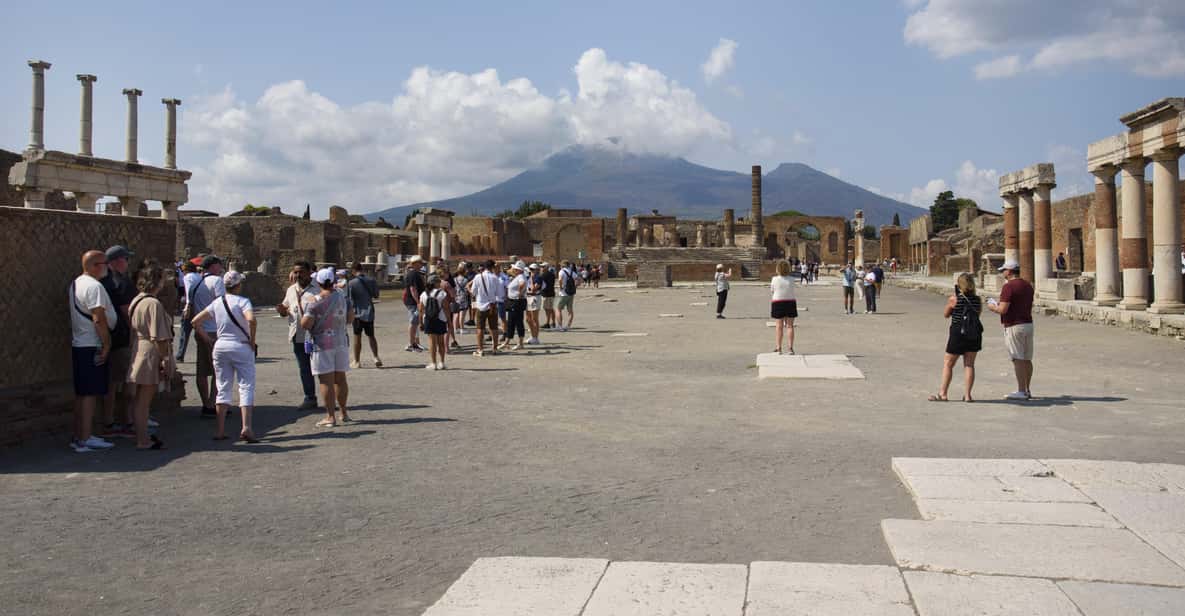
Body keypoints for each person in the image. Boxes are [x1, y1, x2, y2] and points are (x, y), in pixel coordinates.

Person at [191, 270, 259, 442]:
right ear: (238, 285)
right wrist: (252, 340)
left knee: (222, 387)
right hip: (241, 345)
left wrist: (207, 339)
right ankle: (246, 427)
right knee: (246, 386)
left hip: (221, 346)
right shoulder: (243, 302)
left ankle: (220, 430)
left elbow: (195, 322)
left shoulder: (217, 302)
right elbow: (251, 320)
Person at [68, 250, 117, 452]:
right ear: (96, 265)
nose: (107, 267)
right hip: (92, 343)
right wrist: (106, 344)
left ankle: (81, 434)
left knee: (83, 393)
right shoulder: (94, 286)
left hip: (81, 343)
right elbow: (98, 317)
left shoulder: (76, 283)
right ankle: (85, 438)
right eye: (105, 263)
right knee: (89, 394)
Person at [126, 260, 173, 449]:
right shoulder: (153, 304)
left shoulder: (137, 300)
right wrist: (166, 359)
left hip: (139, 348)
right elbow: (159, 336)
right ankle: (143, 439)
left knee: (140, 399)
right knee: (144, 401)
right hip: (150, 352)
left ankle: (142, 436)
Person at [302, 267, 354, 427]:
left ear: (318, 282)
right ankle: (343, 412)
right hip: (340, 341)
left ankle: (330, 416)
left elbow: (305, 324)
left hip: (322, 344)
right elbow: (350, 319)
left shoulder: (314, 301)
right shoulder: (343, 297)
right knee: (341, 379)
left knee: (326, 381)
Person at [99, 245, 138, 438]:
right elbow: (127, 311)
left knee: (113, 384)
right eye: (126, 259)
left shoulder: (105, 281)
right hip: (121, 338)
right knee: (126, 382)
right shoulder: (120, 283)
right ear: (116, 261)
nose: (128, 263)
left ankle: (111, 421)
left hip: (110, 336)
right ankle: (127, 422)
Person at [986, 260, 1035, 400]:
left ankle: (1021, 391)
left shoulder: (1008, 287)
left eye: (1004, 270)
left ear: (1010, 271)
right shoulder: (1028, 285)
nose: (1002, 273)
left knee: (1017, 358)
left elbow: (1003, 309)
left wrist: (992, 306)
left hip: (1014, 325)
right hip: (1028, 324)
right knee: (1027, 358)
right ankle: (1027, 388)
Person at [930, 273, 983, 402]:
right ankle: (968, 395)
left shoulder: (955, 299)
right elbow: (978, 314)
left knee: (948, 364)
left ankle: (943, 393)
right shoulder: (977, 299)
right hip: (973, 333)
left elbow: (946, 314)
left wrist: (952, 305)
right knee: (969, 364)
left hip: (958, 332)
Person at [274, 261, 319, 410]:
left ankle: (330, 397)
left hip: (316, 333)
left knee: (322, 367)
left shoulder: (318, 289)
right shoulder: (291, 290)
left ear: (309, 272)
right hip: (298, 333)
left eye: (301, 272)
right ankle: (310, 397)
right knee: (304, 367)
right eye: (296, 272)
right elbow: (286, 308)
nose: (298, 275)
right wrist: (282, 310)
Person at [191, 254, 226, 417]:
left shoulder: (195, 282)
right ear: (213, 266)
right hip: (213, 330)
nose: (221, 269)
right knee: (219, 370)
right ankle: (213, 404)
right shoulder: (217, 281)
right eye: (219, 266)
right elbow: (221, 305)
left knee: (202, 370)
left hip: (199, 329)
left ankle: (206, 403)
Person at [347, 262, 382, 369]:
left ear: (353, 270)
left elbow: (350, 300)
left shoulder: (351, 283)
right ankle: (376, 357)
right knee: (371, 336)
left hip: (357, 313)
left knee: (357, 336)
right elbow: (376, 295)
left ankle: (357, 361)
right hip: (369, 312)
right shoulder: (371, 280)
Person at [467, 260, 500, 357]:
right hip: (492, 305)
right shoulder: (495, 277)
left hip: (481, 305)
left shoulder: (478, 277)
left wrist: (469, 290)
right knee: (494, 328)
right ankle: (495, 348)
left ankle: (480, 349)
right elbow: (498, 293)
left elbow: (473, 292)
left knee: (480, 328)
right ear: (493, 267)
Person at [419, 274, 451, 370]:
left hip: (429, 319)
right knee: (441, 342)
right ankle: (442, 362)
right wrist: (449, 321)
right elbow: (446, 308)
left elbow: (421, 309)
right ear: (435, 283)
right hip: (440, 319)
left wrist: (421, 322)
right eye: (438, 282)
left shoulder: (424, 294)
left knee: (432, 342)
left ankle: (433, 363)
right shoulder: (442, 294)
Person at [770, 260, 798, 354]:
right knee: (790, 326)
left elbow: (772, 291)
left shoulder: (774, 279)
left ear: (778, 269)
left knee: (779, 326)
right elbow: (793, 289)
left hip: (778, 302)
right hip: (790, 301)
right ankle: (790, 348)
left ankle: (779, 347)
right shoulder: (792, 279)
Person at [174, 260, 200, 361]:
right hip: (199, 307)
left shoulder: (188, 277)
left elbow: (189, 292)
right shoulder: (199, 276)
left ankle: (180, 355)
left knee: (185, 332)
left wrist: (187, 307)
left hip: (190, 307)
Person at [502, 262, 528, 350]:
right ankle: (507, 342)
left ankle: (520, 343)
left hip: (517, 302)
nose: (514, 270)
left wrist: (520, 294)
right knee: (511, 322)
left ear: (519, 270)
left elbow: (522, 284)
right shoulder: (517, 276)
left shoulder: (520, 277)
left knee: (518, 322)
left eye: (515, 269)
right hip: (513, 301)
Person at [402, 255, 426, 352]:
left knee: (415, 322)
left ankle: (415, 343)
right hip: (413, 302)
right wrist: (418, 302)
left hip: (413, 301)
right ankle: (411, 343)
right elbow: (413, 289)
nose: (421, 264)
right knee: (413, 322)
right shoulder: (413, 274)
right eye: (420, 262)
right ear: (415, 264)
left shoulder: (415, 273)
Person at [452, 263, 471, 349]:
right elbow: (467, 289)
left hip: (456, 297)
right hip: (463, 297)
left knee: (456, 313)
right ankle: (462, 328)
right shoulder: (465, 280)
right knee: (462, 313)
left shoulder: (454, 279)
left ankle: (456, 328)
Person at [557, 260, 577, 331]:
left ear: (563, 265)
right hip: (571, 293)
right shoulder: (572, 272)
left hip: (563, 293)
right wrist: (575, 286)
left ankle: (560, 326)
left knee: (558, 309)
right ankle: (568, 325)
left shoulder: (561, 271)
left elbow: (559, 280)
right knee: (570, 310)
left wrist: (561, 287)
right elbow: (578, 280)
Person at [525, 263, 543, 344]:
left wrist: (531, 278)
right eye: (530, 269)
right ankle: (532, 336)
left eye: (533, 269)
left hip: (534, 297)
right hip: (528, 297)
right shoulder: (529, 277)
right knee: (528, 319)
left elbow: (533, 289)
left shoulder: (538, 278)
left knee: (534, 318)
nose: (531, 271)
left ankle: (536, 337)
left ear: (536, 270)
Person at [541, 263, 556, 329]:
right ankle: (553, 322)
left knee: (547, 309)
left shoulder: (543, 275)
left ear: (546, 267)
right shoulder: (552, 274)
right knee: (551, 308)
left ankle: (547, 323)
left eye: (543, 267)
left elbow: (542, 285)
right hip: (552, 293)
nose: (541, 268)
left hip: (545, 294)